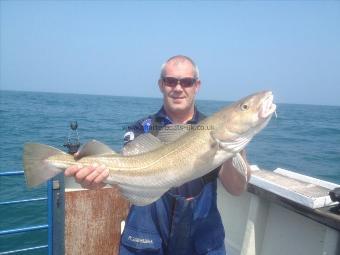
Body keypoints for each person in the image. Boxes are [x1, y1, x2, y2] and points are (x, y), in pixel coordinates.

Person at [65, 55, 251, 255]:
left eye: (187, 82)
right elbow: (126, 173)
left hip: (202, 240)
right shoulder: (141, 128)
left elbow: (236, 189)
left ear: (197, 86)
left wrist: (234, 149)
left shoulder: (215, 128)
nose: (178, 88)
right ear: (161, 85)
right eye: (171, 81)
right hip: (146, 238)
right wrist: (99, 180)